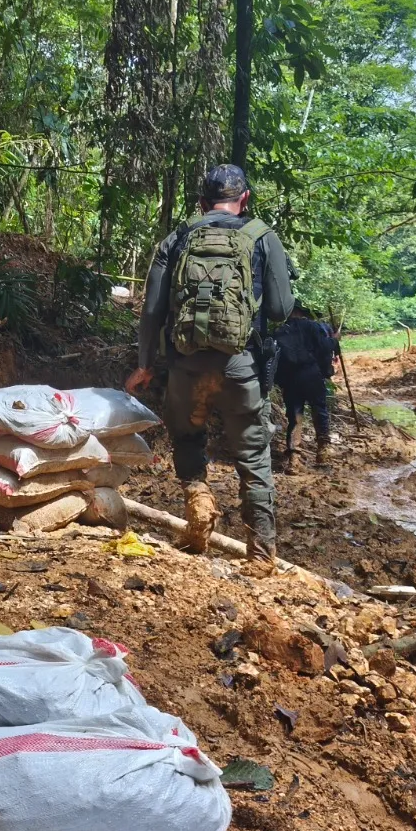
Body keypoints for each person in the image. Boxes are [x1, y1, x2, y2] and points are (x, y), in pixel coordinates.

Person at [125, 164, 293, 570]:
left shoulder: (178, 238)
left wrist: (146, 364)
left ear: (201, 202)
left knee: (187, 440)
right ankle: (260, 555)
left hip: (186, 368)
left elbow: (152, 311)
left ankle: (199, 511)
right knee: (253, 457)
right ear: (245, 200)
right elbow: (280, 309)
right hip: (241, 367)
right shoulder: (262, 237)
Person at [273, 300, 337, 471]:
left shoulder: (279, 331)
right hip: (311, 374)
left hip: (290, 379)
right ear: (300, 312)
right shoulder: (312, 327)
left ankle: (294, 458)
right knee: (319, 410)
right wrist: (334, 341)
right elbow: (324, 348)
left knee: (295, 415)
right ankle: (323, 452)